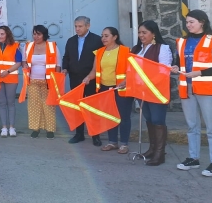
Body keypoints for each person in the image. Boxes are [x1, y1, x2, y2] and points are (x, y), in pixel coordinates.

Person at [171, 10, 212, 177]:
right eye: (187, 22)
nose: (188, 25)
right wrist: (174, 68)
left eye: (191, 22)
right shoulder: (181, 42)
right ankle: (193, 158)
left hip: (208, 89)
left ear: (202, 22)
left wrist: (199, 73)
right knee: (192, 126)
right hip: (187, 88)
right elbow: (178, 62)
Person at [81, 27, 134, 153]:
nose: (103, 38)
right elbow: (95, 70)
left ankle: (124, 144)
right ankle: (112, 142)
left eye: (106, 36)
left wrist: (125, 81)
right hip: (105, 88)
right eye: (102, 36)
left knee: (123, 116)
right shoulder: (99, 52)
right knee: (110, 116)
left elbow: (132, 70)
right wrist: (88, 77)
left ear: (115, 37)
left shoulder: (126, 51)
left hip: (122, 88)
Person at [131, 20, 172, 166]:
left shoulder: (162, 48)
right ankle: (152, 148)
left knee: (157, 120)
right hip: (141, 91)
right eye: (140, 32)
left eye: (144, 33)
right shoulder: (136, 49)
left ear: (153, 34)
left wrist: (148, 82)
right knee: (148, 119)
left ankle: (160, 154)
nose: (141, 35)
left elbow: (163, 70)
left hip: (156, 91)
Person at [62, 16, 104, 146]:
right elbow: (66, 57)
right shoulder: (71, 41)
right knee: (77, 107)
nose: (77, 29)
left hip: (91, 78)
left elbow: (100, 59)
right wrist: (64, 69)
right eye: (76, 26)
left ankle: (95, 135)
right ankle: (79, 134)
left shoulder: (97, 40)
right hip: (75, 78)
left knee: (91, 107)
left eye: (80, 26)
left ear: (88, 26)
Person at [22, 25, 61, 139]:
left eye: (38, 34)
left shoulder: (52, 46)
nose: (36, 36)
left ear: (44, 35)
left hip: (48, 82)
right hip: (32, 81)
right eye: (34, 34)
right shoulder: (28, 46)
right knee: (33, 105)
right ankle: (35, 128)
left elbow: (58, 64)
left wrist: (56, 81)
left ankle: (50, 129)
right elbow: (24, 61)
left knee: (49, 105)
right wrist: (25, 66)